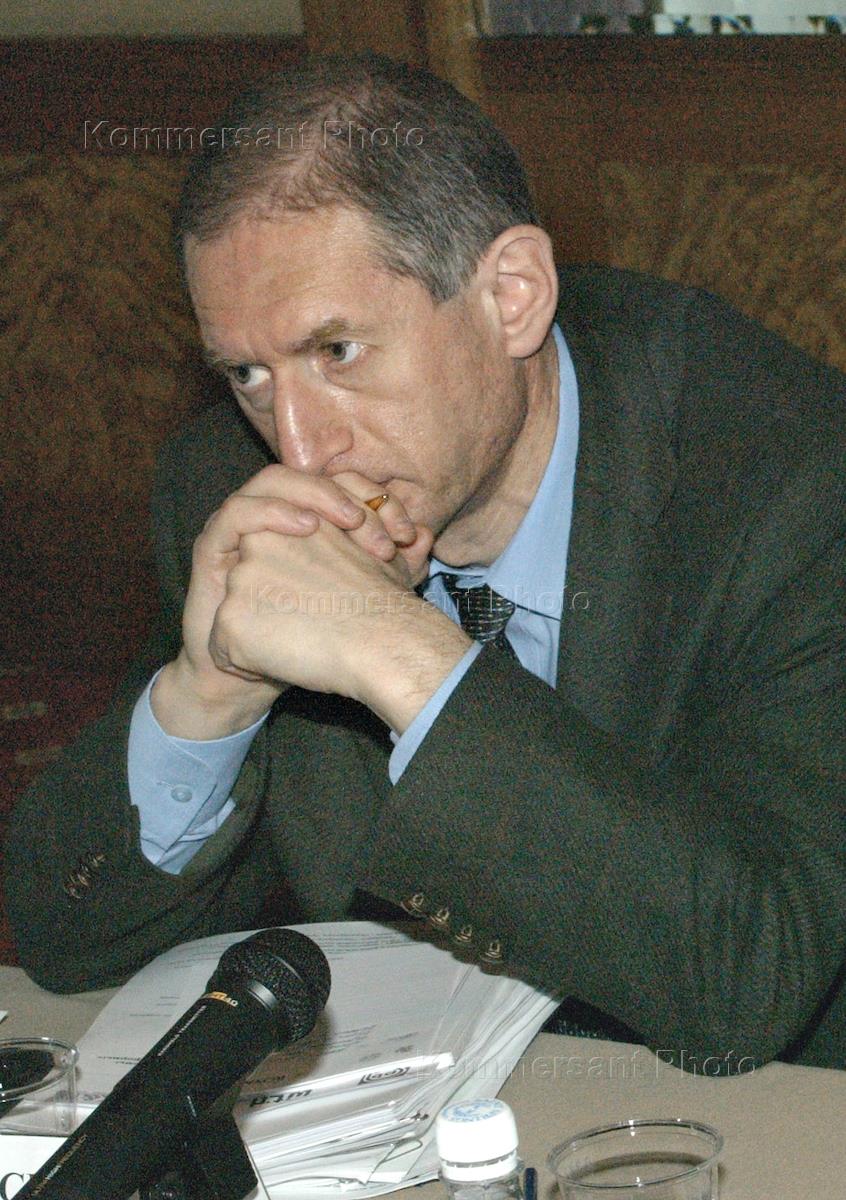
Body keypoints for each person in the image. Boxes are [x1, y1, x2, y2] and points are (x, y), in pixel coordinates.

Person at [6, 55, 845, 1074]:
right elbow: (65, 940)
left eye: (337, 352)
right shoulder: (229, 487)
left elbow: (751, 978)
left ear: (511, 295)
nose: (301, 445)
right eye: (250, 374)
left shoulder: (795, 481)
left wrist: (401, 653)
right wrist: (208, 694)